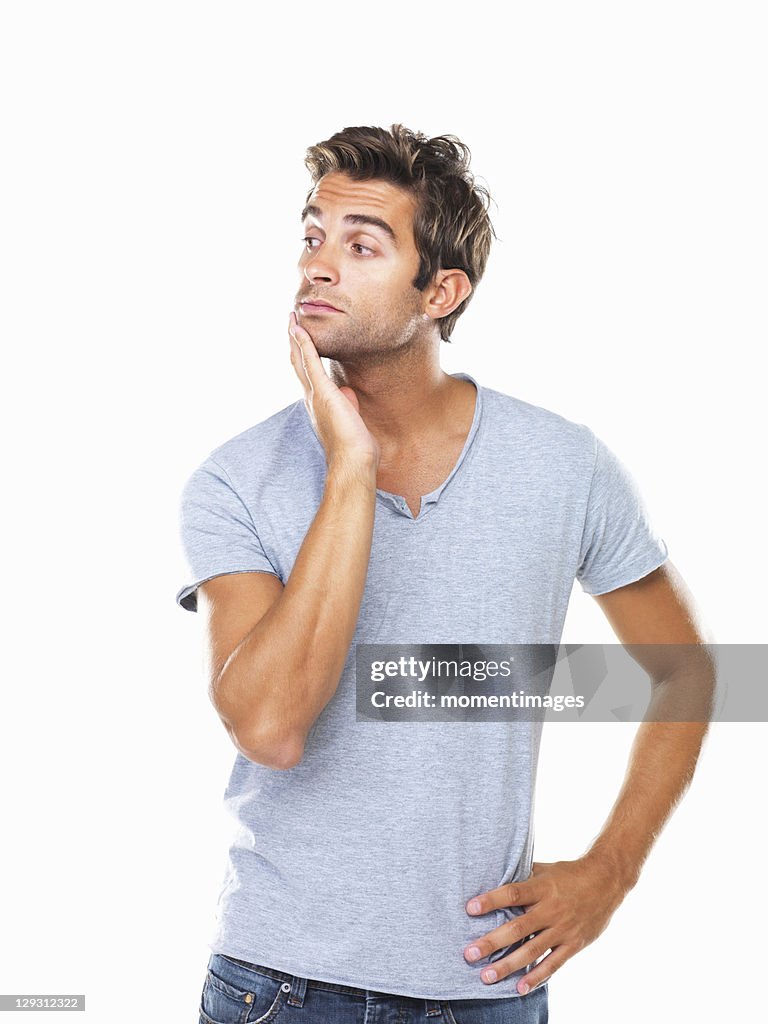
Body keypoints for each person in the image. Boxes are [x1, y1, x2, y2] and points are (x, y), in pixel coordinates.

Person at [176, 124, 712, 1024]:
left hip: (487, 988)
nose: (317, 265)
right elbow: (270, 726)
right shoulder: (235, 480)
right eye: (313, 236)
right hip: (279, 988)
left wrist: (609, 871)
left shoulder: (563, 464)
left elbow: (688, 672)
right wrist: (349, 466)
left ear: (442, 290)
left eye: (361, 245)